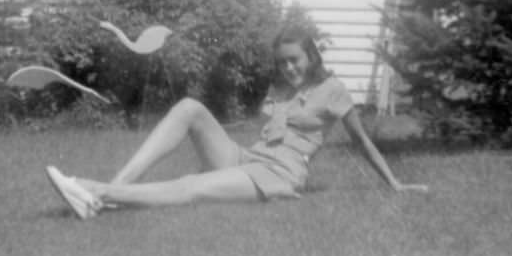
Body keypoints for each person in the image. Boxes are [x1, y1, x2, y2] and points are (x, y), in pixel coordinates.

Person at [45, 24, 428, 219]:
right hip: (248, 160)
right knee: (190, 108)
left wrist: (394, 183)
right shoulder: (279, 88)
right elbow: (263, 127)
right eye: (282, 62)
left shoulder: (333, 90)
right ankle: (116, 188)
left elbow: (361, 141)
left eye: (294, 59)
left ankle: (92, 191)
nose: (288, 67)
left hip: (278, 176)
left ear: (311, 55)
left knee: (192, 186)